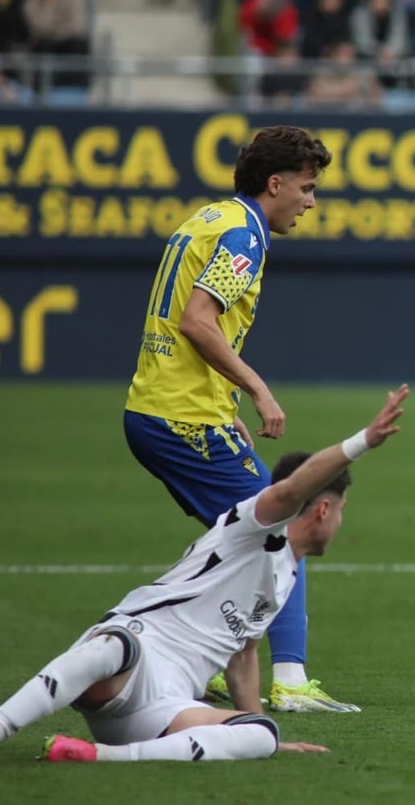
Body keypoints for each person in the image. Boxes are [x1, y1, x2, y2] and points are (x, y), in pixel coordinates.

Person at [0, 386, 409, 765]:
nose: (341, 521)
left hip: (164, 706)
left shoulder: (285, 574)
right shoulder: (253, 526)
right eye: (342, 510)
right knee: (110, 647)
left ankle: (96, 754)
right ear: (324, 508)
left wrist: (254, 728)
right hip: (134, 655)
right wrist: (362, 441)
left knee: (263, 736)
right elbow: (290, 488)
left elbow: (243, 657)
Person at [123, 126, 357, 713]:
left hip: (163, 409)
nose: (311, 200)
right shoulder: (244, 237)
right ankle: (292, 681)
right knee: (282, 528)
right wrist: (256, 389)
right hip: (183, 419)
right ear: (275, 183)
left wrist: (223, 404)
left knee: (232, 543)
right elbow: (198, 322)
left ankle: (208, 662)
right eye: (306, 187)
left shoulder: (210, 218)